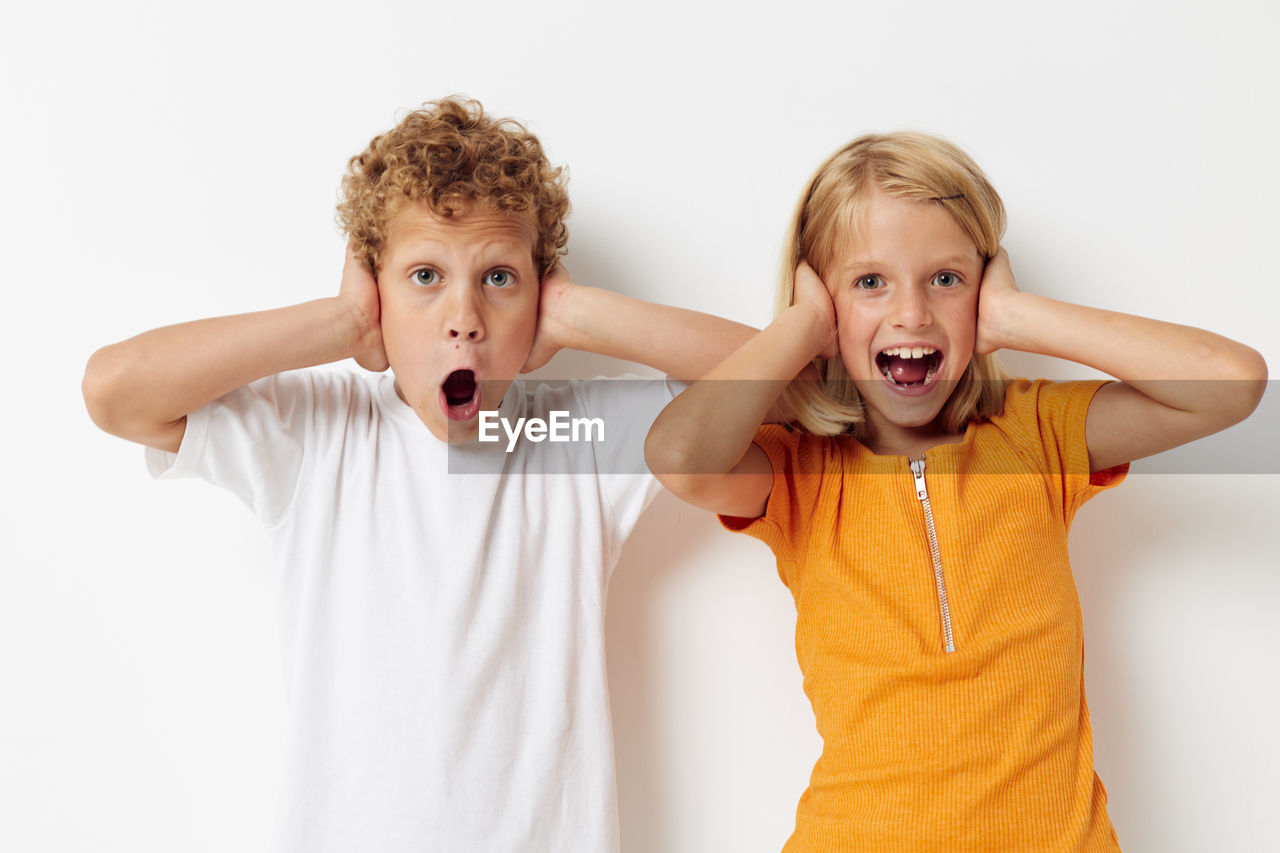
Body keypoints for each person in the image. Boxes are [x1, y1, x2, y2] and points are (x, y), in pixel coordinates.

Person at [81, 97, 755, 853]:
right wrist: (341, 324)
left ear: (540, 292)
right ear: (376, 290)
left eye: (499, 277)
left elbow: (787, 387)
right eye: (425, 275)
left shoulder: (574, 436)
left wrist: (578, 314)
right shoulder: (318, 433)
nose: (463, 316)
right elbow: (115, 391)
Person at [643, 132, 1267, 851]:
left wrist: (1019, 318)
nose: (911, 314)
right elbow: (679, 455)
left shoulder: (1038, 433)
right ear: (821, 299)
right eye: (868, 282)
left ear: (986, 284)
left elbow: (1234, 382)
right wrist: (802, 327)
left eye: (945, 278)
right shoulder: (798, 476)